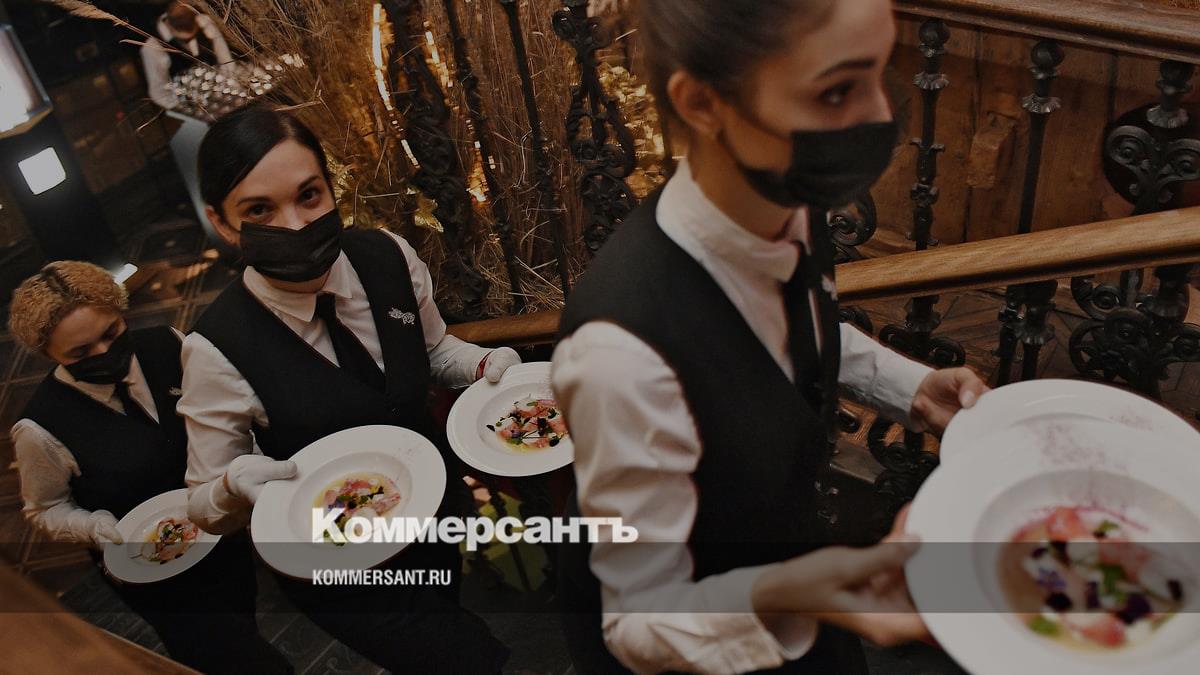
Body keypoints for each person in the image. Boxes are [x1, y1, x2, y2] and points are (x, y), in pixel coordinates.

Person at [552, 0, 991, 673]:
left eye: (881, 72)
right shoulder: (620, 355)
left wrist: (910, 386)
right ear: (702, 103)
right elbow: (637, 624)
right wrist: (806, 593)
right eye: (837, 91)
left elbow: (785, 324)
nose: (880, 116)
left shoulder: (789, 199)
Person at [179, 104, 517, 673]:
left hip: (431, 515)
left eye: (309, 196)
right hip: (336, 569)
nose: (295, 225)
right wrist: (232, 486)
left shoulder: (387, 256)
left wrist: (483, 363)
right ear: (222, 222)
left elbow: (434, 349)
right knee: (472, 660)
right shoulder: (215, 349)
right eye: (260, 209)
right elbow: (202, 503)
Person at [8, 261, 290, 674]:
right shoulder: (39, 428)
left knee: (240, 615)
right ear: (48, 354)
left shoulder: (167, 344)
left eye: (111, 333)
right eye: (80, 352)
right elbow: (44, 509)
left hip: (218, 529)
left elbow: (222, 415)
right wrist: (95, 527)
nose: (104, 353)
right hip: (151, 569)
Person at [140, 1, 233, 110]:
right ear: (168, 25)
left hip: (220, 94)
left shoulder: (204, 22)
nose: (189, 41)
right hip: (192, 107)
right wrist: (187, 107)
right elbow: (159, 93)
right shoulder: (153, 47)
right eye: (183, 40)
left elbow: (226, 61)